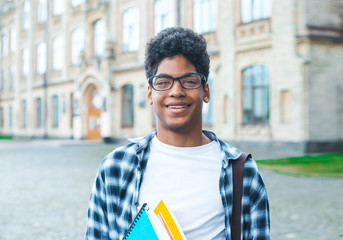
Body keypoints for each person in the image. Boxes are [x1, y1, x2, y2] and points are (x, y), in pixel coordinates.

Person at [85, 27, 270, 240]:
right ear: (150, 94)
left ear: (206, 91)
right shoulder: (115, 168)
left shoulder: (243, 173)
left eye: (189, 81)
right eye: (163, 82)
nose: (176, 91)